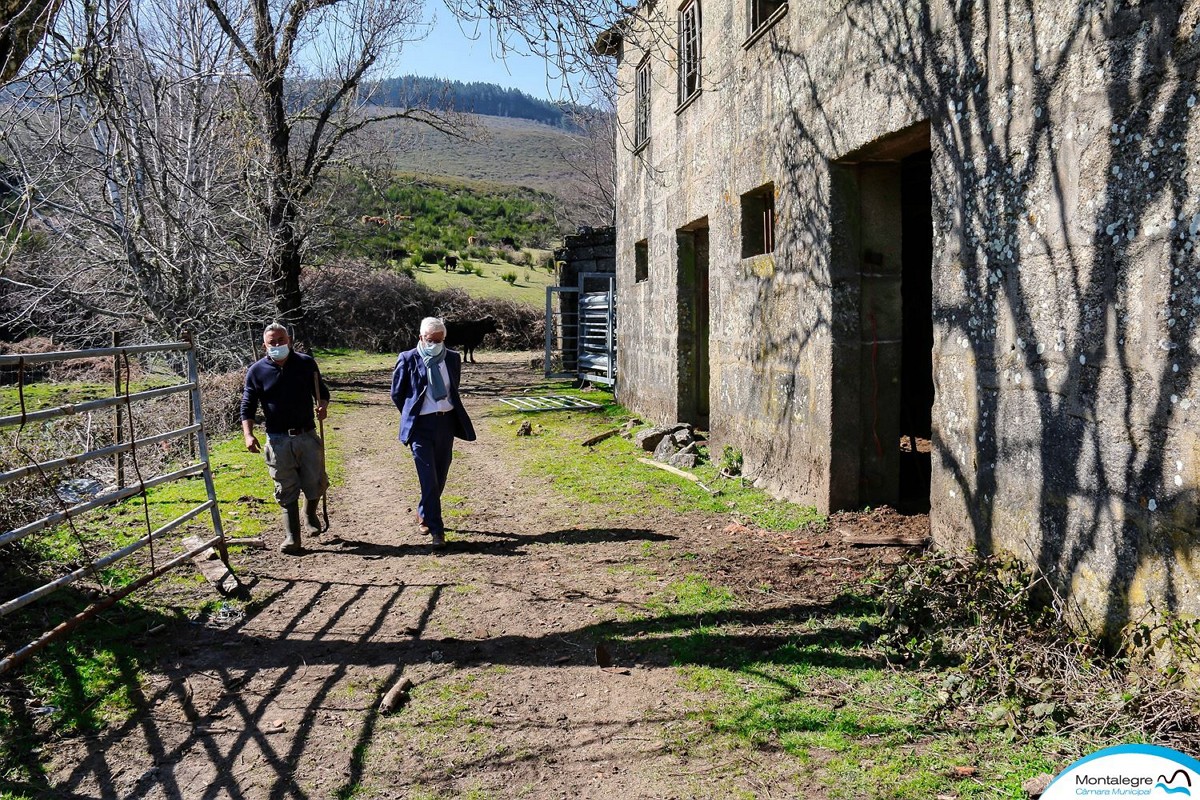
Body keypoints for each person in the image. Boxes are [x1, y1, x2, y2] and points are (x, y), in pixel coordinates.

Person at [241, 322, 330, 555]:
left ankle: (310, 513)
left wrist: (322, 406)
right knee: (285, 486)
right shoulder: (257, 371)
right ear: (264, 346)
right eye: (272, 343)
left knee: (316, 481)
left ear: (289, 340)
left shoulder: (305, 363)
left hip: (307, 434)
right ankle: (292, 537)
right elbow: (247, 406)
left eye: (281, 340)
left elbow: (321, 391)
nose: (278, 345)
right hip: (278, 439)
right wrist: (248, 435)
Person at [390, 317, 476, 549]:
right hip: (420, 427)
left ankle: (424, 512)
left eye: (440, 340)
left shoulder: (452, 358)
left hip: (445, 423)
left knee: (440, 473)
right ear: (421, 338)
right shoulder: (407, 359)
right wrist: (412, 414)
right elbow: (397, 394)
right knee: (427, 477)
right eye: (431, 340)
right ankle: (438, 531)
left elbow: (453, 389)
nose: (435, 344)